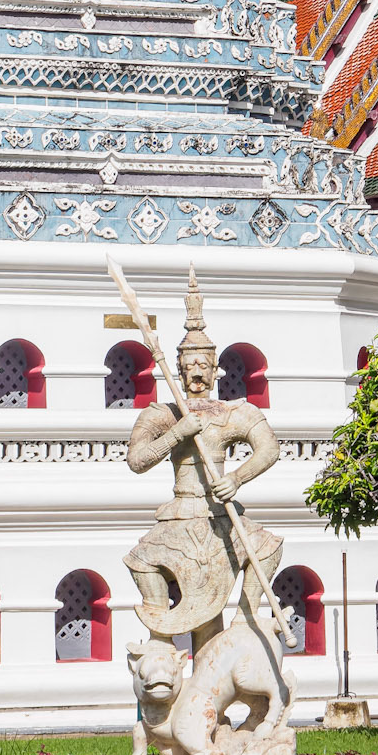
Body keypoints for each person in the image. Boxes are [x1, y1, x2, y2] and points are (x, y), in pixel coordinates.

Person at [124, 268, 282, 647]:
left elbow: (269, 448)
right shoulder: (162, 414)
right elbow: (137, 461)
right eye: (190, 365)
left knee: (268, 549)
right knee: (141, 562)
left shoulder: (233, 412)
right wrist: (177, 434)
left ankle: (246, 621)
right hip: (181, 510)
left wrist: (237, 478)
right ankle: (160, 632)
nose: (197, 372)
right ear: (179, 369)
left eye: (203, 365)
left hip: (219, 512)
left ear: (215, 370)